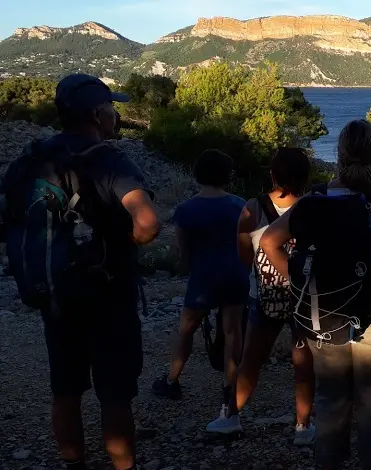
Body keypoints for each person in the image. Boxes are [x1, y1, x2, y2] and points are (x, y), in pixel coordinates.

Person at [0, 74, 160, 470]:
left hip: (54, 291)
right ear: (95, 113)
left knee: (66, 391)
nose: (115, 114)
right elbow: (148, 221)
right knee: (115, 396)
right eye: (110, 106)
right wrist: (132, 242)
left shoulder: (32, 157)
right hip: (108, 295)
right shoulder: (107, 158)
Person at [260, 119, 371, 470]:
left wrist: (298, 281)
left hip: (323, 308)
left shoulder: (313, 200)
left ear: (339, 152)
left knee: (331, 400)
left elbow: (268, 241)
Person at [151, 150, 250, 434]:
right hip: (235, 275)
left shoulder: (185, 209)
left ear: (197, 175)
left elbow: (183, 253)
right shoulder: (240, 205)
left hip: (204, 277)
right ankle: (229, 389)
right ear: (227, 176)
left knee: (186, 329)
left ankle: (171, 381)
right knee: (233, 332)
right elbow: (246, 244)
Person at [234, 148, 316, 445]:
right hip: (303, 298)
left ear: (272, 174)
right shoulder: (312, 207)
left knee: (252, 361)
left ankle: (231, 415)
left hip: (264, 295)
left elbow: (244, 254)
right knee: (304, 365)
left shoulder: (252, 208)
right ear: (306, 177)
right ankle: (303, 426)